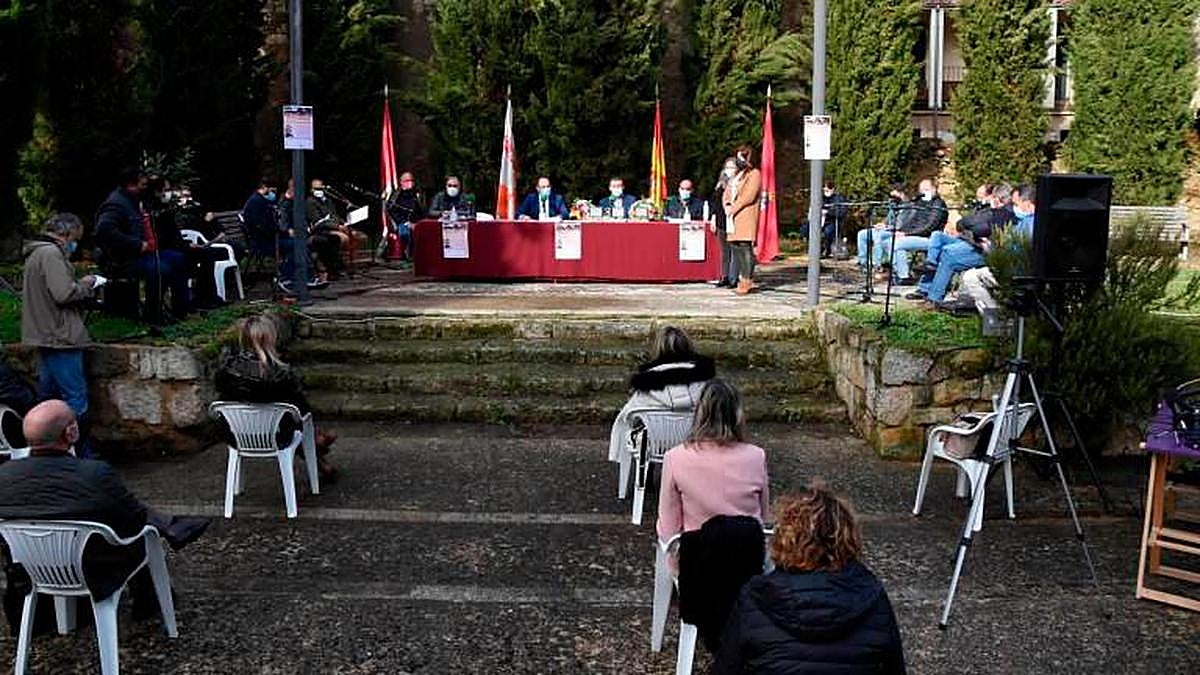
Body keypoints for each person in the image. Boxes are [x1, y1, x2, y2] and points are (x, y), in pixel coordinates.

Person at [0, 401, 210, 633]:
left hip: (31, 568)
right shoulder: (94, 474)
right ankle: (152, 593)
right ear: (71, 433)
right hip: (91, 570)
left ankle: (170, 526)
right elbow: (132, 522)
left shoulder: (4, 475)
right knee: (136, 532)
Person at [714, 485, 906, 674]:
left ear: (783, 539)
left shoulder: (755, 597)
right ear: (849, 538)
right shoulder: (872, 595)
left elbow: (726, 667)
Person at [657, 379, 771, 651]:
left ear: (699, 413)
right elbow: (764, 518)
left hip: (699, 568)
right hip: (749, 564)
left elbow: (668, 529)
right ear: (737, 413)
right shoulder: (756, 456)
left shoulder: (675, 458)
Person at [215, 316, 338, 479]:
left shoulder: (226, 369)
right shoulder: (281, 374)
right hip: (277, 435)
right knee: (297, 417)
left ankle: (320, 455)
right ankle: (316, 442)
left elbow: (222, 396)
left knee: (287, 416)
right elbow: (302, 409)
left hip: (236, 435)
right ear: (271, 339)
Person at [22, 213, 96, 456]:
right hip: (60, 336)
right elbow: (63, 294)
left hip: (45, 333)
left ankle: (44, 454)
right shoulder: (51, 254)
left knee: (47, 396)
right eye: (76, 238)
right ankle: (81, 454)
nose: (75, 245)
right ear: (66, 234)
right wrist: (86, 284)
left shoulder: (36, 253)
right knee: (75, 400)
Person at [94, 168, 191, 324]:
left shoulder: (133, 201)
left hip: (139, 255)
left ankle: (181, 309)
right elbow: (104, 230)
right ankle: (153, 315)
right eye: (143, 185)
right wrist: (137, 245)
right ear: (131, 186)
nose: (146, 188)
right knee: (160, 268)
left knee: (178, 258)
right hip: (123, 258)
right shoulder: (116, 205)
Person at [608, 326, 715, 463]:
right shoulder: (708, 384)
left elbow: (627, 418)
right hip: (699, 440)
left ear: (657, 350)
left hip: (657, 444)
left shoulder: (645, 386)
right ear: (689, 346)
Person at [886, 178, 950, 284]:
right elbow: (911, 221)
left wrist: (906, 234)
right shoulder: (920, 203)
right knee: (888, 241)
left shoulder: (938, 204)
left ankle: (904, 277)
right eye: (922, 190)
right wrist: (900, 231)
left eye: (927, 189)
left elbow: (929, 226)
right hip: (915, 236)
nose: (924, 192)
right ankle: (899, 273)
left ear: (935, 189)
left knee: (896, 243)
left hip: (929, 238)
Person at [723, 146, 763, 295]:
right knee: (735, 246)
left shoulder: (754, 174)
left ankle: (747, 280)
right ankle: (741, 277)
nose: (738, 160)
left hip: (745, 214)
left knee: (745, 246)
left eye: (741, 157)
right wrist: (727, 205)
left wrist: (733, 208)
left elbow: (749, 196)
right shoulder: (737, 175)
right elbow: (726, 192)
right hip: (732, 217)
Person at [855, 183, 912, 273]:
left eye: (893, 194)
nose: (891, 197)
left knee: (878, 235)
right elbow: (888, 218)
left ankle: (877, 264)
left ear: (900, 193)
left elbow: (901, 225)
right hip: (887, 229)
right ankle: (863, 263)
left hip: (897, 231)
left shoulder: (909, 207)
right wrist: (881, 224)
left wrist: (886, 227)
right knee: (862, 234)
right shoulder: (894, 204)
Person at [306, 178, 348, 281]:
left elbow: (334, 216)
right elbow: (317, 221)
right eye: (316, 188)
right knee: (331, 240)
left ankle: (338, 267)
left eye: (321, 188)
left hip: (332, 228)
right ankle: (333, 269)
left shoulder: (328, 201)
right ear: (311, 190)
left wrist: (342, 223)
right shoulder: (310, 202)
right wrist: (337, 227)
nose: (319, 191)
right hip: (320, 230)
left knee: (355, 235)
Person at [383, 172, 425, 262]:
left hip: (417, 222)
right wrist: (406, 223)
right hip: (402, 222)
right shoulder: (396, 195)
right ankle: (406, 254)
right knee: (404, 234)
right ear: (401, 182)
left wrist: (417, 223)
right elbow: (391, 211)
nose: (409, 183)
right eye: (406, 181)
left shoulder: (417, 194)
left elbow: (422, 211)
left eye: (411, 180)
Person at [711, 158, 738, 287]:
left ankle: (734, 277)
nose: (729, 170)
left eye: (732, 167)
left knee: (735, 250)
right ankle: (725, 276)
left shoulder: (738, 184)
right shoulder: (720, 185)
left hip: (734, 219)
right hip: (721, 220)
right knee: (724, 251)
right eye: (727, 167)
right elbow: (715, 204)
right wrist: (713, 218)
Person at [820, 180, 850, 259]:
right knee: (806, 228)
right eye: (824, 190)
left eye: (828, 189)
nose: (826, 191)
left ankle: (826, 250)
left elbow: (842, 212)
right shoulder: (821, 198)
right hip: (821, 221)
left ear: (833, 189)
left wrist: (828, 212)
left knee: (828, 231)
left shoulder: (839, 198)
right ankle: (817, 249)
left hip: (834, 221)